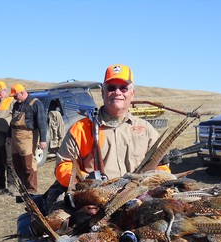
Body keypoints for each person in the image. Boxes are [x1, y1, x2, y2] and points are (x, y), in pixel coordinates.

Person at [48, 64, 169, 209]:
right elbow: (63, 165)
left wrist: (154, 184)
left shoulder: (146, 130)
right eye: (111, 87)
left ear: (132, 93)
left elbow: (161, 166)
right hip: (94, 203)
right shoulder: (81, 129)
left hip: (138, 202)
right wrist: (84, 181)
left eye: (123, 88)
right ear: (103, 92)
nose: (117, 92)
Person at [9, 83, 47, 193]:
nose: (14, 98)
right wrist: (8, 136)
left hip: (28, 136)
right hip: (15, 135)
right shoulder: (16, 104)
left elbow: (42, 123)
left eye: (15, 96)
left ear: (22, 92)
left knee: (28, 164)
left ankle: (31, 189)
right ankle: (23, 187)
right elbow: (11, 122)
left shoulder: (36, 103)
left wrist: (43, 140)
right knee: (17, 164)